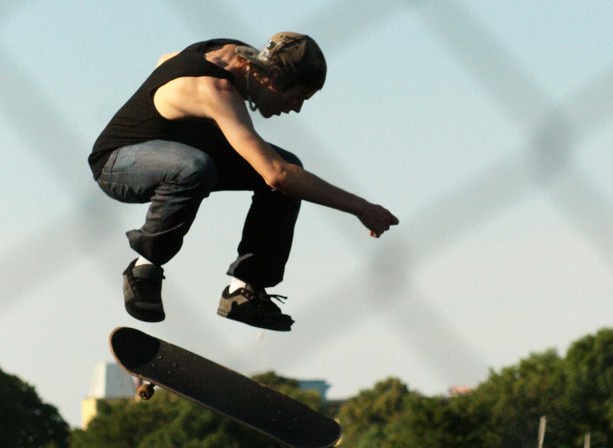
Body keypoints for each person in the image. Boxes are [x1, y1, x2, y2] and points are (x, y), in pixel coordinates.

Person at [88, 32, 398, 331]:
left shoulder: (236, 55)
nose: (296, 108)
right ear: (272, 78)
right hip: (119, 161)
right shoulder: (216, 92)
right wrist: (361, 208)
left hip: (188, 151)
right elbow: (276, 173)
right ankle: (144, 267)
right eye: (298, 96)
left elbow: (165, 59)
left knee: (288, 171)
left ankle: (245, 290)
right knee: (205, 169)